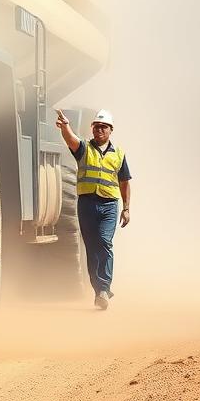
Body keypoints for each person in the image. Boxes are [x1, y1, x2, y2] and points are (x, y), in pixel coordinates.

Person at [55, 108, 132, 310]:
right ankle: (98, 290)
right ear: (92, 129)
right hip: (87, 204)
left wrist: (126, 208)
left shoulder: (119, 154)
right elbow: (71, 139)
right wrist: (65, 127)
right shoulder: (84, 149)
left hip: (109, 205)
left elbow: (124, 182)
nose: (99, 130)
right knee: (91, 246)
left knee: (104, 241)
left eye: (103, 127)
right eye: (96, 126)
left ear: (110, 130)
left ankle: (104, 288)